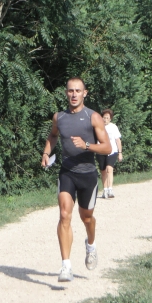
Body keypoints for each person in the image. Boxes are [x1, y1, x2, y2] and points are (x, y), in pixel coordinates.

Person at [41, 77, 111, 282]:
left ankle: (91, 245)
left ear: (84, 93)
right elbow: (53, 136)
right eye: (70, 91)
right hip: (67, 172)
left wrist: (87, 146)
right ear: (66, 93)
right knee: (64, 215)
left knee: (86, 218)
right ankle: (66, 266)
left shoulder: (93, 117)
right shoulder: (59, 117)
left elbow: (107, 147)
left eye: (77, 91)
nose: (73, 94)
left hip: (88, 174)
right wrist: (46, 152)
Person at [96, 109, 122, 199]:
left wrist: (120, 153)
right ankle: (105, 190)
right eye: (104, 117)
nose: (105, 119)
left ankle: (110, 189)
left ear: (110, 119)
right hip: (100, 150)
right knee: (103, 171)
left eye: (107, 118)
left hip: (112, 151)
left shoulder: (113, 127)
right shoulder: (98, 126)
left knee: (109, 169)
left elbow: (118, 140)